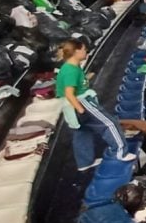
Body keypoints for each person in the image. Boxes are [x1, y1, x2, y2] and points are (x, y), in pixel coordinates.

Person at [57, 39, 135, 170]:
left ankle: (84, 162)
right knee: (110, 123)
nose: (85, 51)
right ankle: (121, 153)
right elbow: (69, 93)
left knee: (82, 132)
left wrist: (86, 78)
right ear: (76, 51)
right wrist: (81, 109)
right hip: (81, 102)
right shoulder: (71, 71)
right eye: (83, 49)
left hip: (72, 105)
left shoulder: (69, 67)